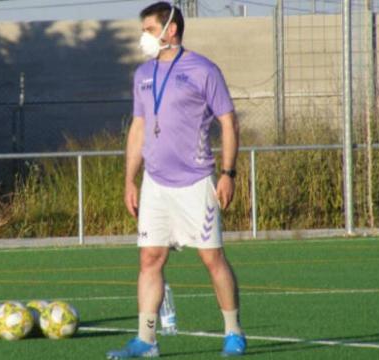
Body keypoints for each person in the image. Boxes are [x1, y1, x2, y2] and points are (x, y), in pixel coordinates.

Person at [106, 2, 245, 358]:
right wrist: (129, 180)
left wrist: (228, 174)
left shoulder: (203, 70)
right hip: (155, 183)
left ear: (170, 30)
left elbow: (228, 122)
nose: (143, 37)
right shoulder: (142, 75)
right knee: (150, 259)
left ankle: (233, 331)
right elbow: (138, 128)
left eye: (149, 30)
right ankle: (146, 341)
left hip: (197, 182)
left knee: (212, 258)